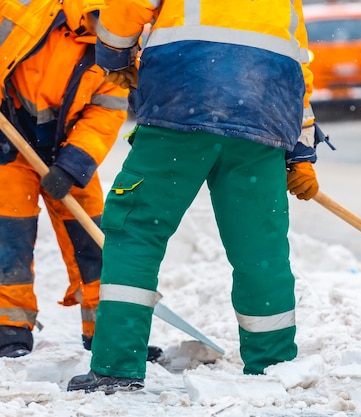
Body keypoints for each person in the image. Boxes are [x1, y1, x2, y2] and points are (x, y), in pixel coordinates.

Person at [67, 0, 321, 393]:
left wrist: (114, 56)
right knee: (261, 248)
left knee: (135, 229)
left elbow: (129, 4)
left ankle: (116, 367)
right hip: (263, 119)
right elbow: (297, 67)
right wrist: (301, 151)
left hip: (183, 104)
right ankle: (273, 365)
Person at [0, 0, 131, 357]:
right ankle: (9, 330)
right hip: (11, 148)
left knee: (92, 240)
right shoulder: (20, 10)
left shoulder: (119, 54)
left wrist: (74, 164)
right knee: (8, 240)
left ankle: (106, 333)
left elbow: (106, 112)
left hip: (68, 151)